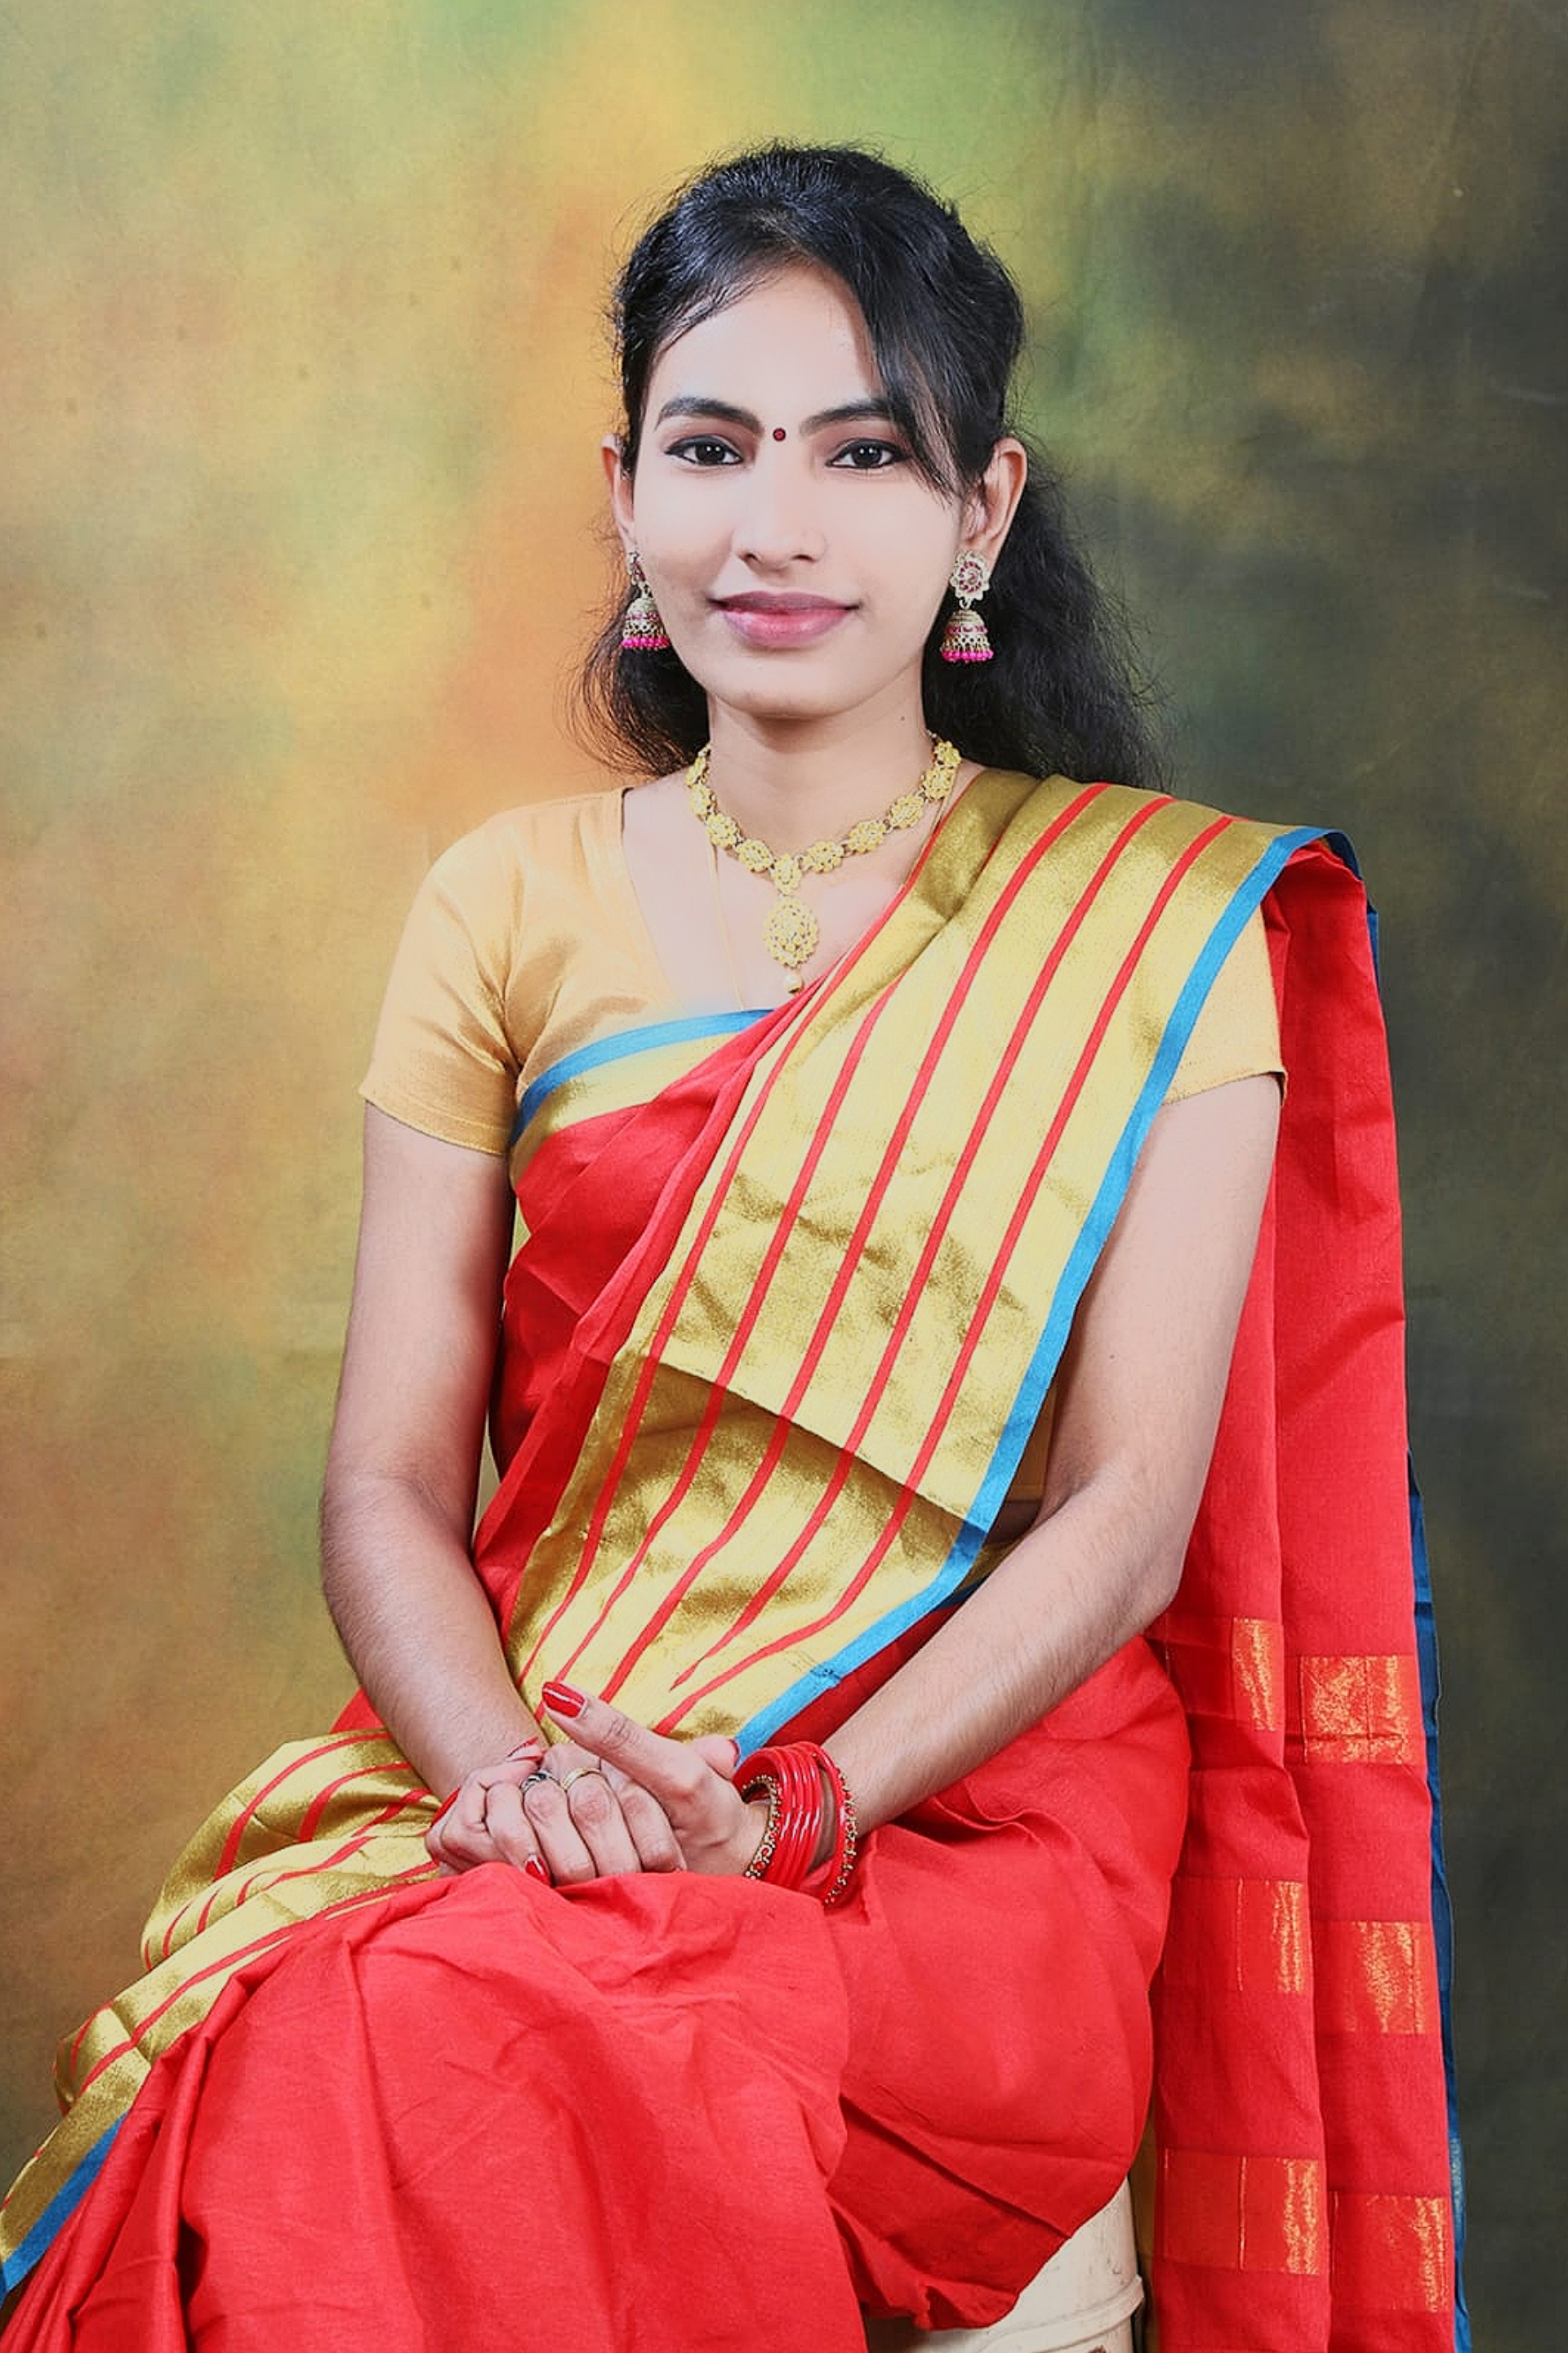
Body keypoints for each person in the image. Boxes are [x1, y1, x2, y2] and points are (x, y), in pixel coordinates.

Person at [0, 144, 1459, 2352]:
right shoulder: (506, 901)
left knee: (473, 2038)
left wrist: (791, 1814)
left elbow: (1127, 1520)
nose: (776, 524)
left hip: (960, 1827)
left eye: (863, 454)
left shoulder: (1157, 934)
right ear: (625, 493)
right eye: (712, 447)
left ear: (981, 512)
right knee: (381, 2028)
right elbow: (388, 1478)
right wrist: (522, 1789)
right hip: (557, 1747)